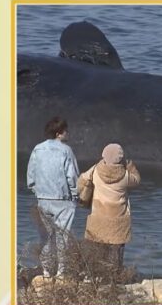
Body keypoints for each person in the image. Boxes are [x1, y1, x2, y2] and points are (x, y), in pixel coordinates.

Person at [26, 117, 80, 279]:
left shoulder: (37, 149)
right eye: (66, 131)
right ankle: (61, 273)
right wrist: (77, 195)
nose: (67, 133)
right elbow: (72, 177)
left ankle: (47, 272)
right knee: (63, 236)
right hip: (63, 200)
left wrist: (38, 192)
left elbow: (31, 177)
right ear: (59, 133)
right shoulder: (66, 150)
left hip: (43, 199)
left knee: (46, 237)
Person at [78, 143, 140, 275]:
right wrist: (131, 167)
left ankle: (94, 276)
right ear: (121, 158)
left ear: (103, 156)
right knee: (116, 252)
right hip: (118, 220)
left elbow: (82, 179)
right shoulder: (125, 176)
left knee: (97, 249)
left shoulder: (95, 170)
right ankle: (113, 277)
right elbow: (137, 180)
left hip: (98, 218)